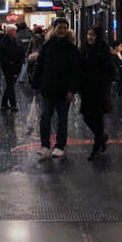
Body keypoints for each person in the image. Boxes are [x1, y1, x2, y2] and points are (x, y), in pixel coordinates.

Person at [31, 17, 79, 158]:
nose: (62, 30)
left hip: (64, 91)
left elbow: (75, 71)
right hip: (47, 89)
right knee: (45, 118)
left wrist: (72, 89)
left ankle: (60, 145)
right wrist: (35, 84)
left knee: (62, 120)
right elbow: (39, 66)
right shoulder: (47, 46)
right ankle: (45, 145)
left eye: (65, 28)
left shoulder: (71, 48)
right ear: (54, 28)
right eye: (59, 27)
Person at [78, 25, 115, 160]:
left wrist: (104, 82)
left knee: (98, 119)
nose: (90, 37)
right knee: (87, 117)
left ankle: (96, 147)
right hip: (87, 89)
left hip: (99, 89)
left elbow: (110, 70)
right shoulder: (84, 49)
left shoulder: (104, 50)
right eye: (88, 34)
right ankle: (101, 138)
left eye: (92, 35)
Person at [0, 25, 24, 110]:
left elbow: (20, 50)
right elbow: (1, 55)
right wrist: (10, 62)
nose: (15, 33)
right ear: (9, 32)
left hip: (15, 67)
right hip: (8, 67)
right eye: (13, 31)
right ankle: (13, 104)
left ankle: (4, 103)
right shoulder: (4, 42)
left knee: (10, 85)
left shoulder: (15, 40)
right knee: (10, 85)